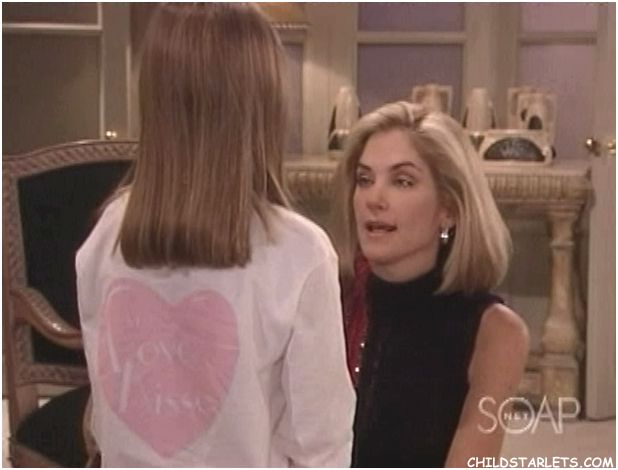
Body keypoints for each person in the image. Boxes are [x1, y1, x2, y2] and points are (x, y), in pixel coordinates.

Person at [76, 4, 355, 467]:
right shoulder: (300, 254)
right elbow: (320, 444)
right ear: (265, 105)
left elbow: (103, 418)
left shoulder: (108, 232)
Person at [330, 101, 530, 467]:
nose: (374, 198)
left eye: (402, 181)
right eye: (364, 179)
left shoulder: (495, 332)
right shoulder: (327, 300)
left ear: (448, 209)